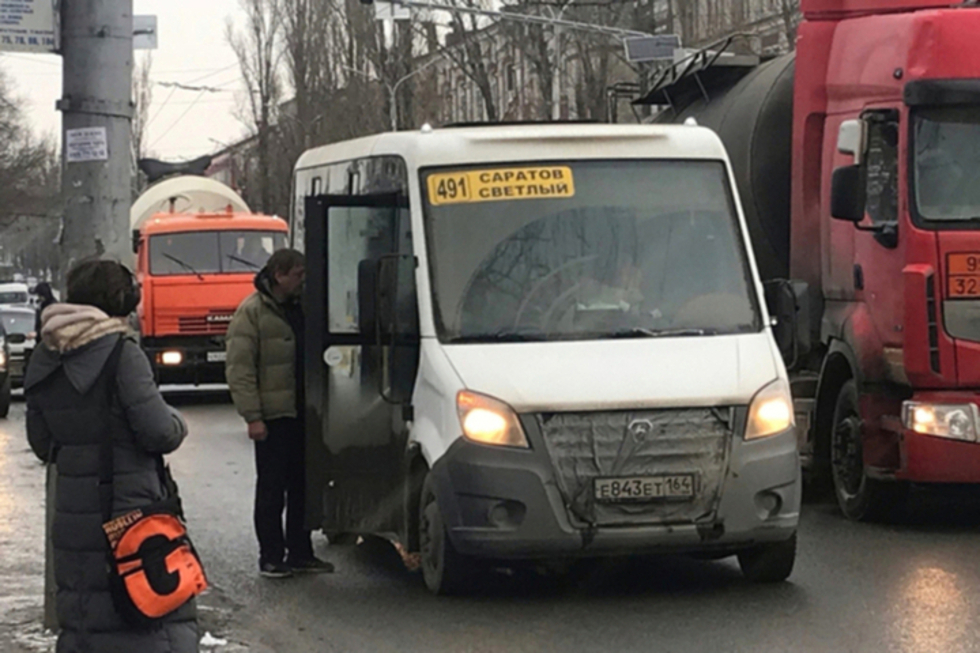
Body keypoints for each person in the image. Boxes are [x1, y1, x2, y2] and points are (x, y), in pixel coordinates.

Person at [24, 260, 197, 653]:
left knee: (88, 610)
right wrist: (177, 420)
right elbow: (159, 431)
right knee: (145, 610)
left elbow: (40, 443)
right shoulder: (121, 354)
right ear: (122, 301)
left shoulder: (44, 356)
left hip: (72, 513)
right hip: (130, 507)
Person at [225, 249, 334, 578]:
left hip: (306, 411)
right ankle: (271, 555)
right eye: (298, 274)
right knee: (272, 488)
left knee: (302, 484)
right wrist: (252, 416)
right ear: (279, 276)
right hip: (274, 415)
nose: (303, 280)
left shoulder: (305, 308)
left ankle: (300, 550)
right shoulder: (252, 313)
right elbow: (240, 368)